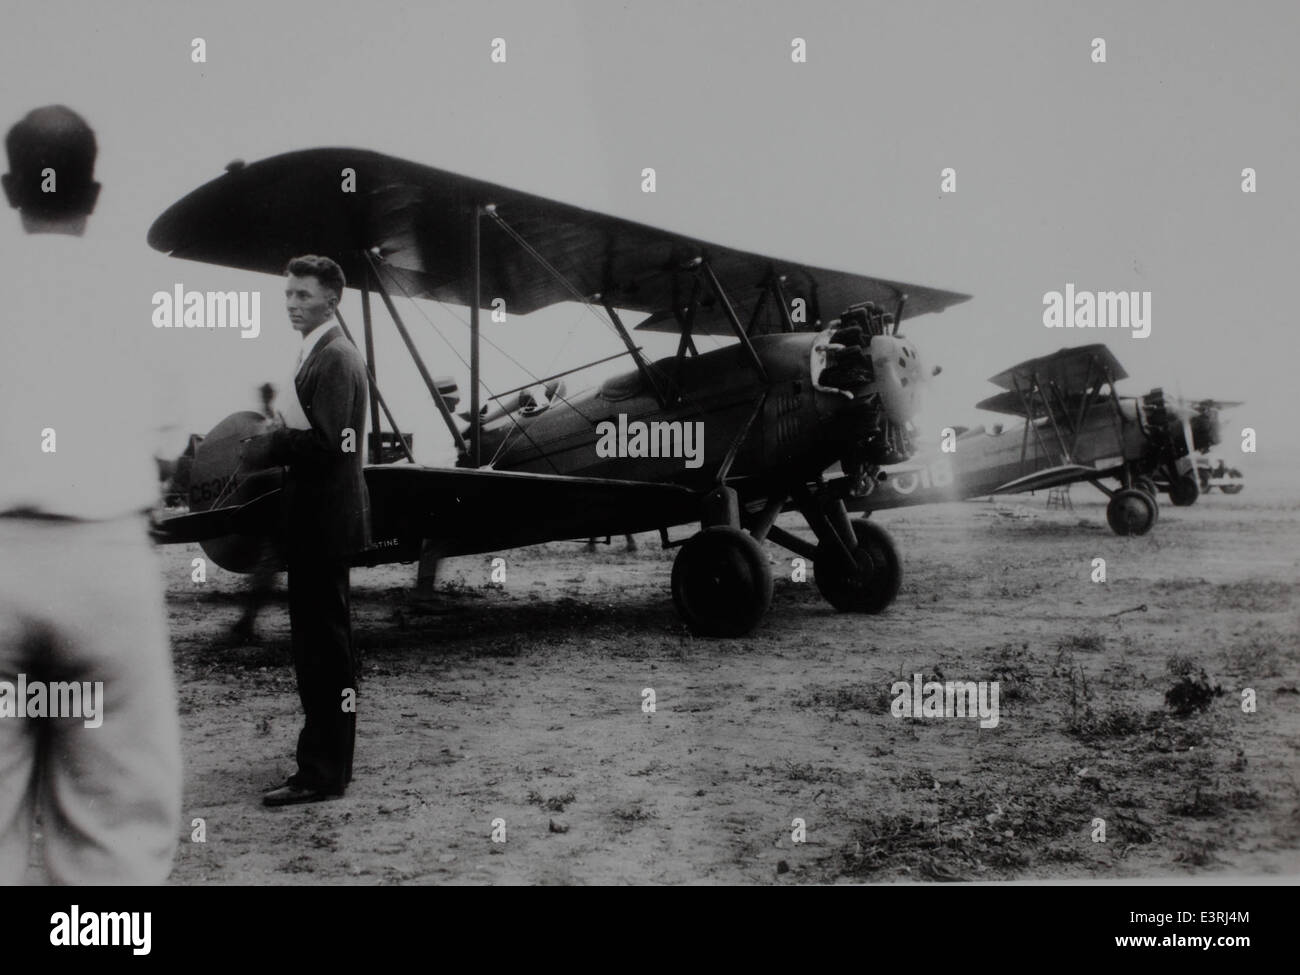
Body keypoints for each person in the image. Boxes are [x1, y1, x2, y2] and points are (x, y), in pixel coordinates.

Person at [0, 105, 181, 882]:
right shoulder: (141, 294)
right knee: (115, 832)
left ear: (10, 187)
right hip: (106, 556)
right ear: (96, 192)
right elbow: (171, 450)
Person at [241, 256, 369, 806]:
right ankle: (329, 763)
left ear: (332, 299)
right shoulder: (320, 350)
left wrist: (271, 442)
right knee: (323, 647)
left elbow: (331, 444)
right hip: (319, 521)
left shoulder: (335, 356)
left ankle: (322, 773)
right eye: (288, 294)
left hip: (323, 522)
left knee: (324, 651)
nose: (292, 303)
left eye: (302, 295)